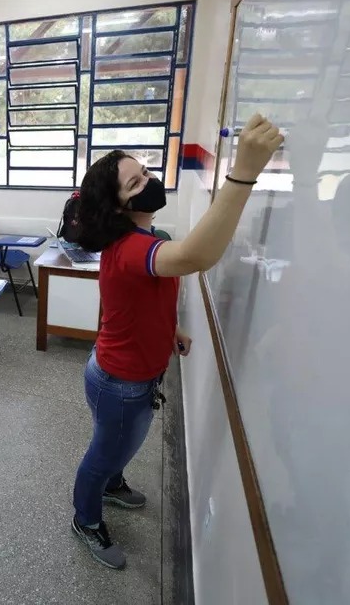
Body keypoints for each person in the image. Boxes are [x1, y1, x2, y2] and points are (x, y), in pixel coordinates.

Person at [70, 114, 283, 569]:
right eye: (135, 182)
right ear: (120, 206)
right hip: (121, 384)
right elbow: (195, 257)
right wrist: (243, 172)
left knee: (114, 445)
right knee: (104, 453)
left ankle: (111, 483)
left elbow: (132, 304)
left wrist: (171, 330)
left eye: (145, 172)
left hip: (117, 372)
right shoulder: (131, 248)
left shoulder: (144, 237)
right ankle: (85, 519)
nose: (148, 180)